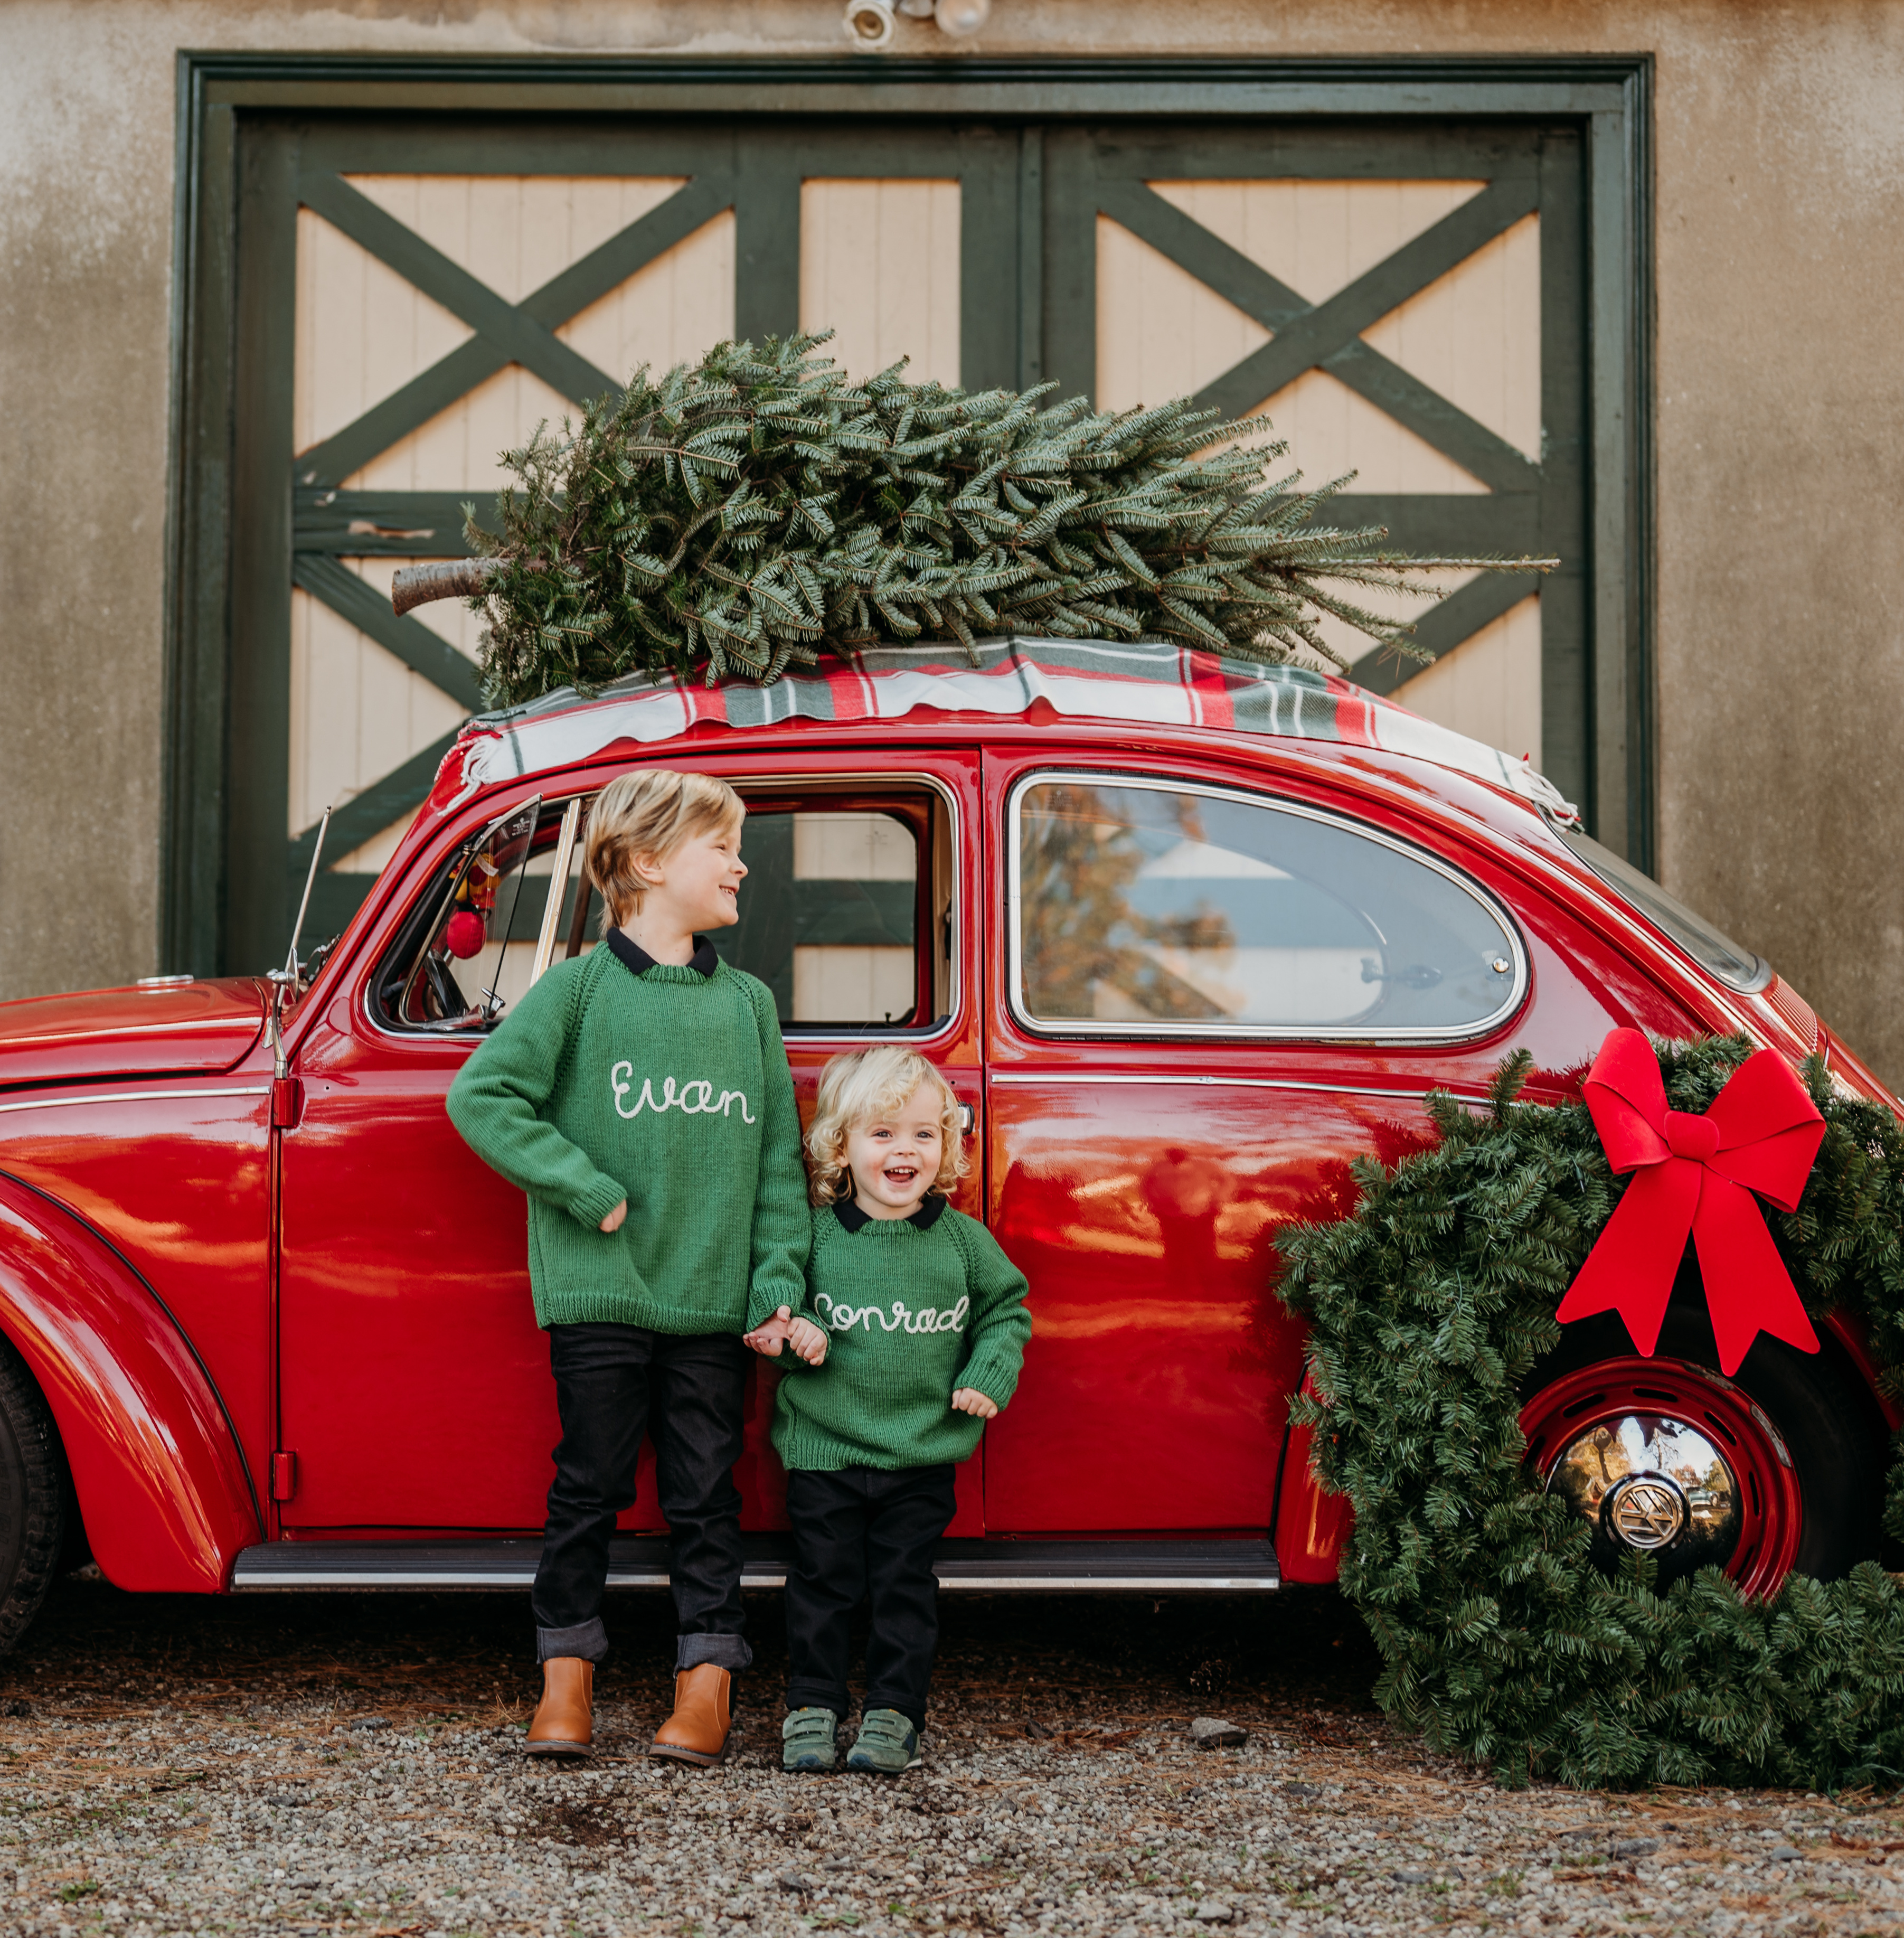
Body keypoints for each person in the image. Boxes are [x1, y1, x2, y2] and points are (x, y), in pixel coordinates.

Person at [447, 769, 807, 1765]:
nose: (742, 863)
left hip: (710, 1304)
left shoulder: (747, 1006)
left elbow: (780, 1164)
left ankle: (707, 1681)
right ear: (648, 862)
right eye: (720, 845)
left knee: (705, 1492)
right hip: (601, 1294)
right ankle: (565, 1676)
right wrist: (576, 1181)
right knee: (588, 1484)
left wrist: (776, 1285)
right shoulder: (576, 990)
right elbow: (485, 1098)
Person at [744, 1047, 1031, 1774]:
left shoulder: (962, 1241)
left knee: (904, 1587)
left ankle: (894, 1711)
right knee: (821, 1581)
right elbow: (778, 1321)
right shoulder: (813, 1236)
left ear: (946, 1147)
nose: (905, 1149)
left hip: (918, 1455)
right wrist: (795, 1335)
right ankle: (811, 1703)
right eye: (882, 1133)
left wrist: (988, 1372)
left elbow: (1006, 1312)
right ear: (841, 1147)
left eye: (923, 1134)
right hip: (825, 1452)